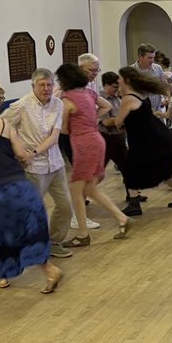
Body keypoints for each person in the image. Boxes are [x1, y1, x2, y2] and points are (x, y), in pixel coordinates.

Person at [0, 89, 63, 294]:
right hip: (21, 185)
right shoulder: (5, 125)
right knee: (30, 230)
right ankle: (49, 269)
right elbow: (22, 155)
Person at [1, 69, 74, 259]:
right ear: (33, 86)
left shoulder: (57, 104)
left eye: (49, 85)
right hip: (33, 168)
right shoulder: (21, 106)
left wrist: (33, 152)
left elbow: (54, 136)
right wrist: (17, 151)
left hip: (55, 163)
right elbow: (3, 126)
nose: (46, 88)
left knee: (65, 205)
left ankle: (54, 241)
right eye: (42, 85)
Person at [57, 63, 130, 244]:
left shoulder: (67, 100)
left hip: (83, 144)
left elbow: (64, 129)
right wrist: (92, 119)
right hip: (97, 139)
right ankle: (121, 218)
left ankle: (83, 234)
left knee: (76, 189)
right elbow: (105, 107)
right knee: (89, 188)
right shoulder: (89, 93)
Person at [114, 66, 172, 207]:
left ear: (126, 80)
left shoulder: (128, 99)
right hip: (157, 137)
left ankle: (134, 204)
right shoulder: (140, 93)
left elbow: (118, 122)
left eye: (119, 77)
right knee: (164, 170)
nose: (117, 80)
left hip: (148, 140)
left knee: (130, 170)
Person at [98, 70, 148, 211]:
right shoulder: (101, 100)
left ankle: (132, 196)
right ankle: (82, 195)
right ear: (106, 85)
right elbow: (106, 122)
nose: (117, 89)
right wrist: (125, 119)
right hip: (106, 139)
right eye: (114, 86)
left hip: (118, 139)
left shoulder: (118, 99)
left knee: (128, 168)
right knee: (98, 172)